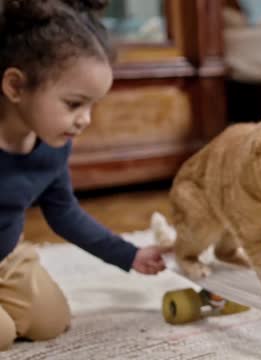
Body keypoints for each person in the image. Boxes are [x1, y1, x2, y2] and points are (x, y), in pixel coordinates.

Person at [0, 0, 170, 350]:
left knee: (51, 321)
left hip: (5, 257)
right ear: (16, 87)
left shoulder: (53, 146)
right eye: (74, 104)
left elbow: (64, 212)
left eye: (93, 105)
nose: (85, 119)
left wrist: (129, 254)